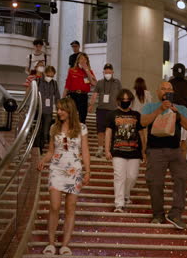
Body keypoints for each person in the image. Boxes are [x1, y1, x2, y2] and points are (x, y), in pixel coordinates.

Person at [37, 97, 90, 256]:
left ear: (69, 110)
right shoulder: (54, 127)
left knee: (70, 208)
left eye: (62, 109)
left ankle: (65, 245)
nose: (58, 112)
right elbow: (51, 151)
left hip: (75, 170)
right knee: (54, 206)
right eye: (58, 109)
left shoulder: (82, 128)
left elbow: (85, 151)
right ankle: (51, 243)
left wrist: (88, 171)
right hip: (56, 169)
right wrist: (43, 160)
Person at [141, 81, 187, 230]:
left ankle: (175, 213)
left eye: (169, 89)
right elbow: (143, 122)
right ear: (158, 92)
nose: (166, 91)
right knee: (155, 182)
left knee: (182, 176)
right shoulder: (150, 106)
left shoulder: (180, 108)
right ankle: (158, 214)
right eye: (163, 88)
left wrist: (177, 113)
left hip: (175, 150)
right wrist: (159, 110)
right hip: (155, 151)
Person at [105, 89, 146, 213]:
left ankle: (126, 194)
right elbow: (108, 133)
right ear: (118, 101)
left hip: (134, 152)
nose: (125, 102)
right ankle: (119, 203)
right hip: (117, 151)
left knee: (132, 176)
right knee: (119, 177)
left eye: (128, 100)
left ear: (131, 101)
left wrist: (144, 150)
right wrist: (107, 149)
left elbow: (142, 134)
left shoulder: (137, 115)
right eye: (123, 100)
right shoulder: (112, 115)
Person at [89, 63, 122, 158]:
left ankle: (112, 149)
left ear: (112, 72)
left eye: (109, 72)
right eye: (106, 72)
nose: (107, 74)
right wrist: (91, 105)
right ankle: (100, 149)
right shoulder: (100, 82)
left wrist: (121, 107)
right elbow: (95, 94)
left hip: (113, 110)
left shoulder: (117, 82)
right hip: (101, 109)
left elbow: (120, 95)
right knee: (100, 130)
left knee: (113, 130)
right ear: (103, 72)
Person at [62, 53, 97, 123]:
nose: (83, 60)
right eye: (81, 58)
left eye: (85, 59)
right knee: (71, 116)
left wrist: (87, 70)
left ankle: (81, 132)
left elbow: (94, 83)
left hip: (83, 96)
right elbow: (67, 86)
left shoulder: (89, 72)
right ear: (78, 60)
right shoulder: (72, 71)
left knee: (82, 117)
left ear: (87, 61)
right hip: (73, 95)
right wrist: (63, 99)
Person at [34, 66, 61, 154]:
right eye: (49, 75)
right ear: (45, 73)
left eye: (52, 76)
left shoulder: (54, 83)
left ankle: (41, 147)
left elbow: (57, 97)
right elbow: (33, 95)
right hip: (38, 110)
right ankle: (37, 150)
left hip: (48, 111)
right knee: (37, 131)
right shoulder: (37, 82)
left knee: (45, 132)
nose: (50, 77)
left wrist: (59, 109)